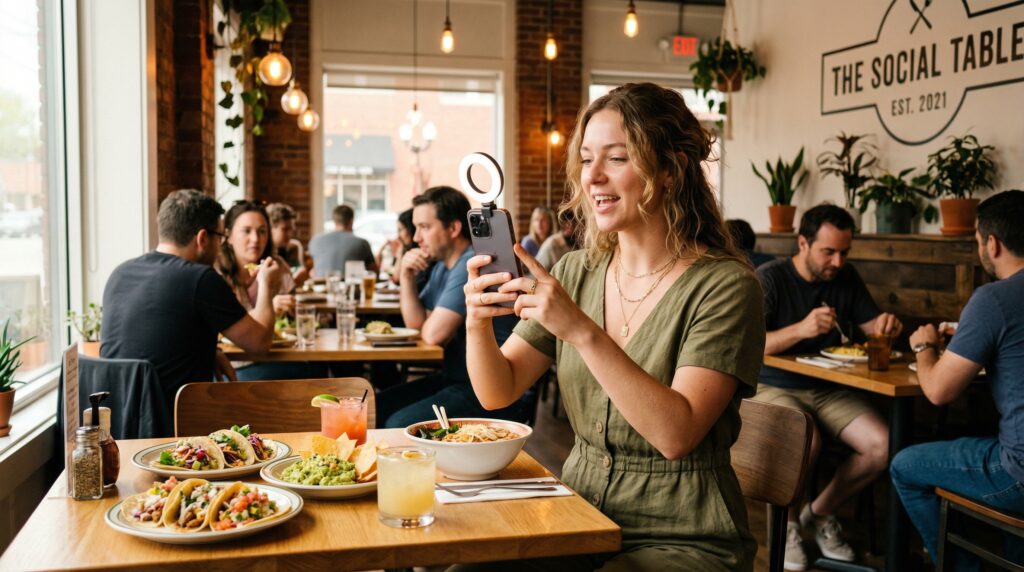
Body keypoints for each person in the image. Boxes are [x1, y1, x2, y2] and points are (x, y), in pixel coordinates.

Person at [455, 83, 766, 571]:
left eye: (617, 158)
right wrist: (476, 321)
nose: (593, 177)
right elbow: (499, 390)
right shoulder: (577, 271)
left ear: (670, 170)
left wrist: (581, 331)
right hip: (578, 514)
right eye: (585, 159)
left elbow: (675, 433)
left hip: (684, 536)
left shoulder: (726, 286)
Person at [754, 204, 902, 570]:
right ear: (802, 243)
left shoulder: (846, 277)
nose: (838, 261)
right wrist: (800, 330)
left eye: (844, 252)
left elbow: (871, 328)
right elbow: (745, 344)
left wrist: (884, 326)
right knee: (806, 439)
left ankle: (818, 514)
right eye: (829, 252)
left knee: (882, 445)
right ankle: (785, 528)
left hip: (830, 386)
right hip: (770, 383)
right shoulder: (769, 278)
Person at [891, 190, 1024, 570]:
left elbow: (937, 391)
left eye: (977, 239)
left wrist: (924, 346)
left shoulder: (993, 299)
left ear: (992, 243)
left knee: (905, 465)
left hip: (1020, 473)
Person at [101, 189, 282, 410]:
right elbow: (259, 343)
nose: (219, 246)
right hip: (175, 422)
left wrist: (209, 350)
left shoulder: (120, 273)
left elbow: (151, 337)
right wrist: (265, 283)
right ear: (203, 238)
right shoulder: (201, 279)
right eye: (220, 237)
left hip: (116, 418)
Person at [375, 186, 522, 429]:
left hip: (491, 389)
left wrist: (426, 321)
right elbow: (417, 323)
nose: (415, 238)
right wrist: (406, 276)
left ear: (453, 228)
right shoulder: (444, 265)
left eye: (424, 227)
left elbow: (433, 335)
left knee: (397, 423)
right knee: (376, 408)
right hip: (458, 377)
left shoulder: (470, 264)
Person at [216, 201, 321, 381]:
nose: (256, 239)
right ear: (228, 235)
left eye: (262, 231)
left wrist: (292, 310)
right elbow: (221, 331)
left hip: (280, 357)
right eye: (246, 231)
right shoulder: (216, 273)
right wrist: (270, 306)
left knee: (315, 368)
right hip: (236, 366)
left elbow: (294, 320)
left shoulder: (278, 266)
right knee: (308, 373)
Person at [308, 204, 377, 276]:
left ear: (334, 220)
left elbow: (313, 271)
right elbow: (374, 273)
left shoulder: (315, 240)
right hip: (351, 285)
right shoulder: (362, 243)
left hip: (321, 285)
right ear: (351, 221)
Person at [267, 202, 312, 285]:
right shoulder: (260, 253)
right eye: (285, 229)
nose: (290, 234)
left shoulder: (293, 247)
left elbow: (301, 273)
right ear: (270, 228)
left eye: (292, 229)